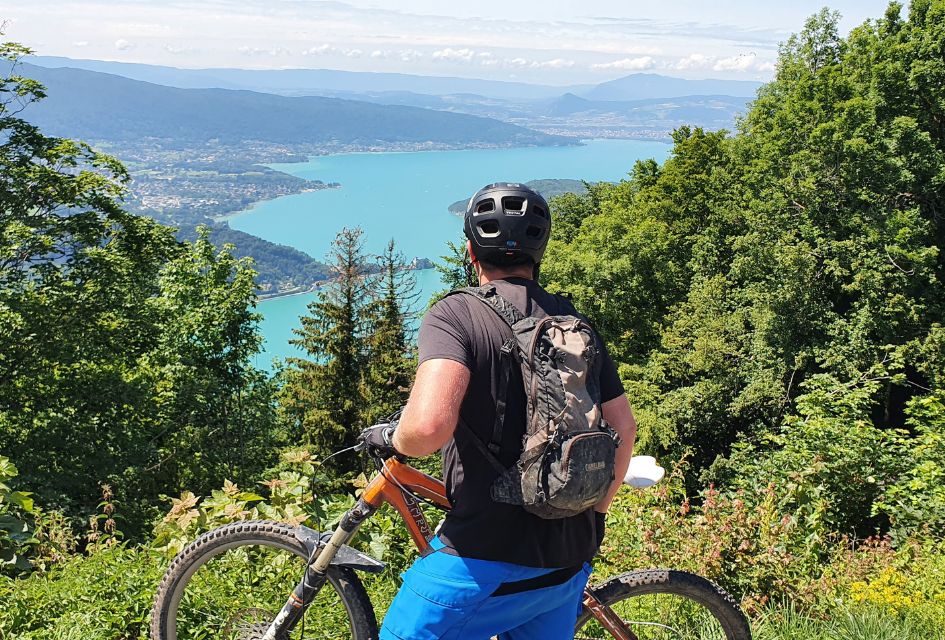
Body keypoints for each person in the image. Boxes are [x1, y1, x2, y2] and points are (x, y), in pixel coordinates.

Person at [361, 182, 637, 639]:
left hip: (482, 559)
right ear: (539, 252)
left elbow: (427, 429)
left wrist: (390, 437)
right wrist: (597, 516)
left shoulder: (455, 315)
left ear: (471, 250)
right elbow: (623, 428)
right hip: (567, 561)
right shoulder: (573, 323)